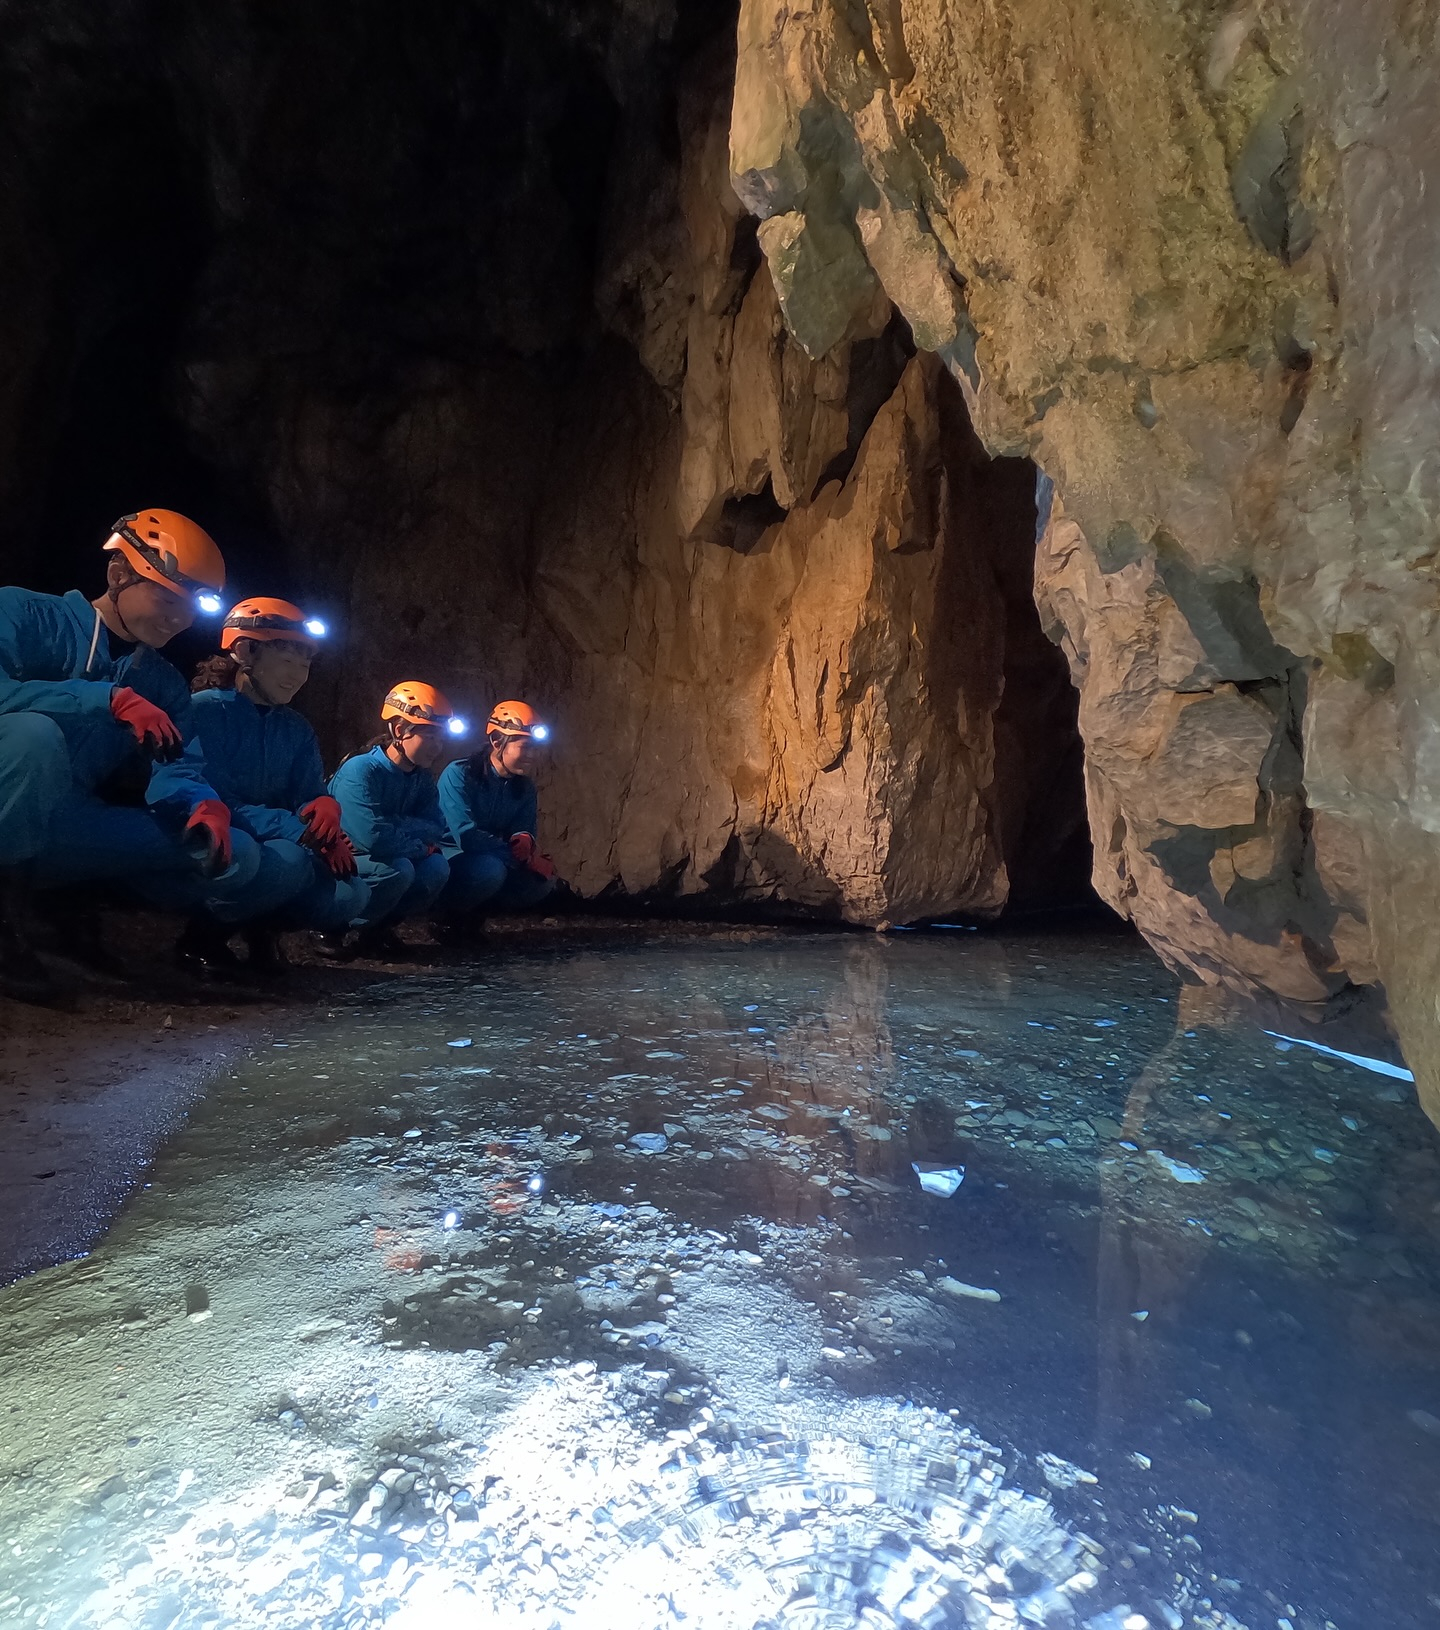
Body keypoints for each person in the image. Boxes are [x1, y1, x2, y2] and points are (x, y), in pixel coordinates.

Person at [0, 509, 261, 999]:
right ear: (118, 574)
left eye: (189, 609)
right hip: (6, 800)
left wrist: (201, 803)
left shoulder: (159, 681)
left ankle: (65, 899)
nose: (179, 620)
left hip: (65, 823)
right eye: (166, 597)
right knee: (35, 739)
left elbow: (179, 764)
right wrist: (103, 698)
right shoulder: (24, 612)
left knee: (235, 852)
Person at [180, 598, 368, 975]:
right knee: (287, 861)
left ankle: (262, 927)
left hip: (279, 840)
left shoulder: (295, 727)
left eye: (305, 665)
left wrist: (323, 809)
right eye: (286, 661)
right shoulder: (204, 712)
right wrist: (300, 831)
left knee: (351, 893)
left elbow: (307, 789)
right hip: (220, 837)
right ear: (245, 652)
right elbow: (219, 798)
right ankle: (202, 936)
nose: (298, 675)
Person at [325, 681, 461, 959]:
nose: (438, 746)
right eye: (430, 736)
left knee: (436, 867)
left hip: (379, 853)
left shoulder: (420, 777)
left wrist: (392, 823)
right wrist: (418, 845)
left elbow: (436, 827)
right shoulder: (360, 770)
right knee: (399, 869)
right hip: (336, 862)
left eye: (441, 738)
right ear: (400, 730)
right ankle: (333, 926)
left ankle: (377, 930)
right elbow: (373, 838)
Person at [435, 699, 556, 942]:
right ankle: (445, 918)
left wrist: (525, 842)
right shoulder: (459, 774)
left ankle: (475, 917)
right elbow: (465, 835)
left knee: (540, 881)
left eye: (536, 748)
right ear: (497, 742)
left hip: (495, 857)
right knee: (490, 871)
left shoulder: (523, 787)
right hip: (453, 857)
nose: (532, 755)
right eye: (525, 747)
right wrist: (515, 857)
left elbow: (524, 827)